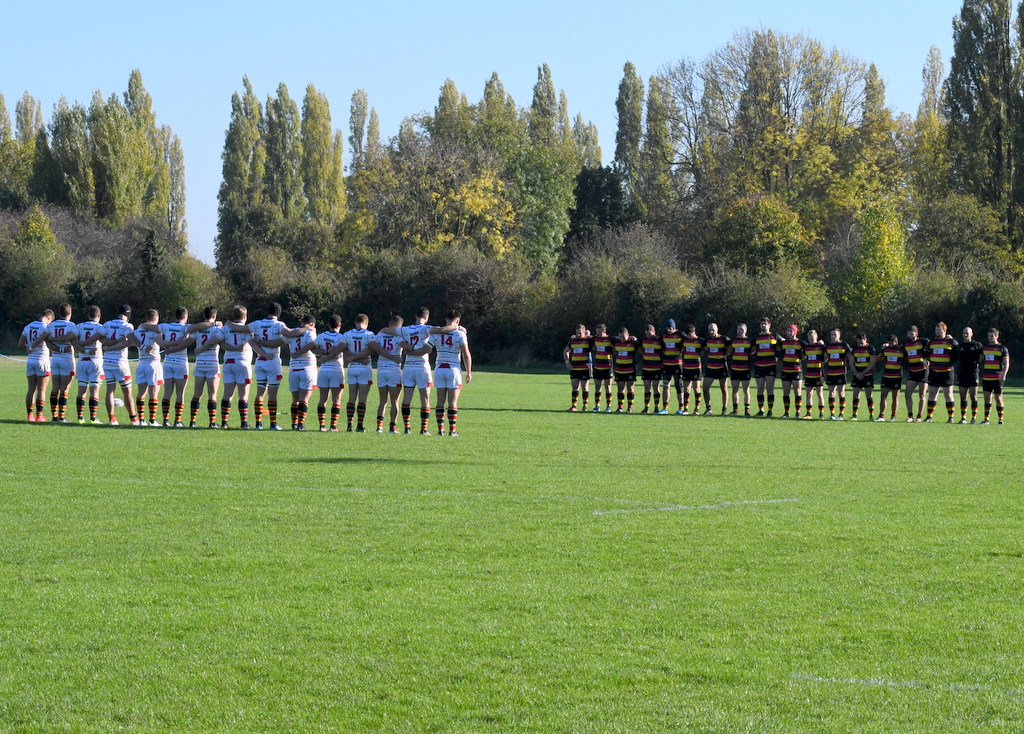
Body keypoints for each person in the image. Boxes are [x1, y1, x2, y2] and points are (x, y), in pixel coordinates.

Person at [121, 309, 164, 426]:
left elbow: (129, 343)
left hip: (141, 364)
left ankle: (141, 420)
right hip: (153, 363)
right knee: (153, 393)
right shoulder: (155, 332)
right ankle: (152, 421)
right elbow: (162, 344)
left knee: (141, 393)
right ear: (155, 318)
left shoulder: (137, 331)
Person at [432, 310, 472, 435]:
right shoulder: (460, 334)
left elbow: (427, 347)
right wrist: (468, 371)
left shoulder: (437, 333)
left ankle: (440, 430)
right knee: (452, 403)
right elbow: (466, 354)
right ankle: (452, 431)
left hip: (439, 368)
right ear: (458, 320)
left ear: (446, 319)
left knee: (440, 402)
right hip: (453, 369)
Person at [364, 316, 405, 432]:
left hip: (381, 369)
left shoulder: (380, 336)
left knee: (382, 401)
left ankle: (379, 427)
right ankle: (392, 427)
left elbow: (372, 345)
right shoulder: (399, 336)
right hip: (394, 370)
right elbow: (406, 346)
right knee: (395, 401)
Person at [39, 303, 77, 422]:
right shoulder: (71, 325)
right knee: (64, 389)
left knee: (55, 387)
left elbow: (46, 340)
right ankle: (61, 417)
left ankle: (54, 417)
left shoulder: (51, 325)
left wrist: (55, 343)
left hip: (55, 358)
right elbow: (71, 338)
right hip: (67, 358)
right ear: (69, 313)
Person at [101, 305, 138, 426]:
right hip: (120, 362)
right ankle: (133, 419)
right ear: (128, 314)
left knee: (109, 391)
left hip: (107, 361)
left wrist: (110, 346)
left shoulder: (107, 324)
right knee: (127, 392)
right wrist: (119, 341)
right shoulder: (127, 326)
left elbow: (102, 340)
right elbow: (131, 341)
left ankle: (112, 419)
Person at [219, 305, 256, 429]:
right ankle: (244, 423)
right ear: (245, 316)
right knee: (243, 396)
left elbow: (219, 342)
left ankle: (224, 423)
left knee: (227, 394)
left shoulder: (225, 328)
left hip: (228, 362)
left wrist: (230, 347)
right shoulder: (246, 329)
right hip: (242, 362)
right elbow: (252, 342)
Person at [155, 307, 193, 427]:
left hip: (168, 362)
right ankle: (177, 421)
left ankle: (165, 420)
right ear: (185, 316)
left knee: (167, 392)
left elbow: (152, 328)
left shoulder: (165, 326)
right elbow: (198, 329)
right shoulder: (185, 327)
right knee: (180, 393)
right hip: (180, 364)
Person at [340, 314, 375, 432]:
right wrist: (360, 358)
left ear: (355, 323)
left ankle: (349, 424)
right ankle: (359, 425)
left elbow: (343, 348)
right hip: (365, 367)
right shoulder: (369, 334)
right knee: (362, 398)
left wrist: (352, 358)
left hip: (352, 367)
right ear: (366, 323)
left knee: (351, 397)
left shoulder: (347, 334)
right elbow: (372, 349)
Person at [189, 307, 223, 428]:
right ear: (214, 316)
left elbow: (188, 340)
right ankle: (212, 423)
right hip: (212, 363)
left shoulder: (198, 329)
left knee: (197, 394)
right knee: (212, 395)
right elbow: (218, 342)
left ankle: (192, 422)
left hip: (199, 363)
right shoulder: (217, 329)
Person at [73, 306, 107, 424]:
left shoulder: (79, 326)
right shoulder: (101, 327)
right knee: (94, 390)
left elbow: (74, 343)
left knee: (81, 390)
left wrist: (84, 349)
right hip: (95, 361)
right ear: (99, 315)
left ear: (88, 315)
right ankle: (93, 418)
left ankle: (80, 418)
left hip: (82, 360)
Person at [312, 314, 346, 432]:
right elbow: (342, 350)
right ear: (339, 325)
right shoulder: (341, 337)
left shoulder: (321, 336)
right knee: (336, 400)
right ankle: (333, 426)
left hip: (324, 370)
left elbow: (313, 348)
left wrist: (324, 352)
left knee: (323, 399)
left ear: (328, 324)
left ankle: (322, 426)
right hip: (336, 369)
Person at [284, 315, 318, 430]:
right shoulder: (310, 333)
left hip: (293, 368)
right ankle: (301, 425)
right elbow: (311, 346)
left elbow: (280, 341)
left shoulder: (293, 332)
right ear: (312, 324)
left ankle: (294, 424)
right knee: (304, 399)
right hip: (307, 367)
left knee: (295, 399)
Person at [19, 308, 53, 422]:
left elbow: (20, 345)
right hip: (42, 359)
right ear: (49, 318)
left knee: (31, 389)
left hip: (30, 360)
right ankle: (39, 416)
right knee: (41, 390)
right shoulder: (46, 327)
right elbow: (50, 343)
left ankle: (29, 415)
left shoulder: (28, 326)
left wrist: (28, 348)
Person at [924, 322, 958, 423]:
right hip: (934, 372)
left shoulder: (951, 342)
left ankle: (951, 417)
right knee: (932, 394)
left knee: (948, 394)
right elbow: (926, 353)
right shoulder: (931, 342)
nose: (937, 331)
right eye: (936, 329)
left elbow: (957, 354)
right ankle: (929, 417)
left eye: (939, 329)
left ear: (944, 330)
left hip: (946, 372)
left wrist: (949, 364)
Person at [752, 317, 781, 417]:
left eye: (765, 324)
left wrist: (777, 356)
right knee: (760, 389)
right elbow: (751, 349)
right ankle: (761, 410)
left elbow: (785, 343)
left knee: (770, 389)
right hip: (759, 366)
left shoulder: (775, 336)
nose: (763, 325)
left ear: (769, 325)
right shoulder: (756, 338)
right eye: (762, 324)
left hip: (770, 366)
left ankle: (770, 410)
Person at [980, 328, 1009, 425]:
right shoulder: (985, 348)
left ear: (997, 336)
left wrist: (1004, 375)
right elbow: (980, 359)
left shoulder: (1002, 348)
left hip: (997, 377)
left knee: (998, 398)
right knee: (987, 398)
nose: (990, 338)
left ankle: (1000, 419)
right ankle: (986, 419)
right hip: (986, 377)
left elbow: (1006, 363)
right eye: (989, 336)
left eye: (992, 336)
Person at [954, 327, 983, 424]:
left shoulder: (977, 345)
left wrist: (977, 363)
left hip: (973, 374)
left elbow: (982, 356)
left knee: (973, 396)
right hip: (962, 374)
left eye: (967, 333)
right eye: (964, 333)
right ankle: (963, 418)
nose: (965, 335)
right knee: (963, 396)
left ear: (971, 334)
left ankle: (974, 418)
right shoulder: (959, 346)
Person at [563, 324, 593, 412]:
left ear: (584, 332)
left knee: (585, 387)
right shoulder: (572, 341)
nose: (578, 334)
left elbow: (598, 339)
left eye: (580, 333)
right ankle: (574, 406)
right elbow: (566, 351)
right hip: (574, 368)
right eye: (577, 333)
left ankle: (585, 406)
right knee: (575, 387)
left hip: (585, 368)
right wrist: (567, 363)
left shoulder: (588, 341)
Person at [902, 325, 929, 422]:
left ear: (916, 334)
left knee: (922, 395)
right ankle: (910, 416)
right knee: (907, 394)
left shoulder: (923, 341)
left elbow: (933, 344)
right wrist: (887, 345)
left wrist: (947, 338)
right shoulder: (905, 344)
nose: (910, 335)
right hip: (913, 372)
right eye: (908, 333)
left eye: (912, 333)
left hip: (923, 371)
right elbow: (898, 350)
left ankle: (919, 416)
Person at [702, 323, 730, 415]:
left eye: (712, 330)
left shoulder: (724, 339)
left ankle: (724, 410)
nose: (711, 332)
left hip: (721, 367)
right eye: (709, 330)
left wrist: (725, 354)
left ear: (717, 329)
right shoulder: (707, 340)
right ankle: (708, 409)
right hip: (710, 367)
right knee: (705, 388)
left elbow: (730, 348)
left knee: (724, 389)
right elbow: (704, 348)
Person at [824, 329, 852, 420]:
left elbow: (850, 357)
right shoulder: (828, 346)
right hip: (830, 372)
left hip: (841, 372)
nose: (833, 336)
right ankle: (832, 414)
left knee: (841, 393)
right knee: (831, 393)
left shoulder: (844, 345)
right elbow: (825, 358)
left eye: (835, 334)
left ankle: (841, 415)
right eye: (832, 334)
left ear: (839, 335)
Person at [876, 334, 905, 422]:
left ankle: (893, 417)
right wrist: (882, 349)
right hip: (886, 376)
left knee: (895, 397)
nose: (891, 345)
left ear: (896, 342)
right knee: (883, 396)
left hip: (897, 377)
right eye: (889, 343)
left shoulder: (902, 350)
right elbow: (878, 358)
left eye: (892, 343)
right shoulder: (886, 349)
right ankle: (881, 416)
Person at [778, 324, 805, 419]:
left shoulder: (801, 343)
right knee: (786, 392)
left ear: (795, 332)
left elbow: (808, 349)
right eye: (788, 331)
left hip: (796, 370)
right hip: (785, 370)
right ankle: (786, 413)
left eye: (791, 331)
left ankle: (798, 412)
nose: (789, 333)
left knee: (797, 392)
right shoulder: (783, 343)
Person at [849, 333, 878, 421]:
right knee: (855, 395)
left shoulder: (871, 348)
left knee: (868, 395)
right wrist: (856, 373)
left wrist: (863, 373)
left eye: (862, 342)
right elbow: (851, 363)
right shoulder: (854, 349)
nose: (860, 344)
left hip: (867, 375)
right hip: (856, 375)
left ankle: (871, 415)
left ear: (866, 340)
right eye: (859, 342)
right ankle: (854, 415)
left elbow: (872, 363)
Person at [659, 320, 684, 414]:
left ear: (674, 327)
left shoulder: (681, 334)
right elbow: (661, 348)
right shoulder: (663, 335)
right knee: (666, 386)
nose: (669, 330)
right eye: (667, 328)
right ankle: (665, 408)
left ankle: (681, 408)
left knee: (679, 386)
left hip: (677, 365)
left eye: (670, 328)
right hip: (666, 365)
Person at [612, 326, 639, 412]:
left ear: (628, 335)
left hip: (630, 369)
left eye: (623, 336)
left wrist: (634, 338)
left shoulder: (633, 342)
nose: (622, 338)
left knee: (630, 388)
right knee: (620, 388)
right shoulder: (616, 342)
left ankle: (629, 408)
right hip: (619, 369)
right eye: (620, 336)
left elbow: (641, 345)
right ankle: (620, 407)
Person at [728, 323, 753, 416]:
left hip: (745, 368)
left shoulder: (749, 341)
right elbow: (729, 351)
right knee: (735, 389)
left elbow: (753, 350)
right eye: (738, 329)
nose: (739, 331)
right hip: (735, 368)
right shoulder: (733, 341)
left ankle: (747, 411)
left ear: (746, 330)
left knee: (746, 390)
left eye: (742, 329)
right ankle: (735, 411)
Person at [680, 324, 704, 415]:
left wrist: (702, 352)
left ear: (694, 332)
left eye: (689, 334)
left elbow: (706, 347)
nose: (688, 336)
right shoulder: (684, 340)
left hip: (696, 368)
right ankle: (686, 409)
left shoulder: (700, 341)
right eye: (687, 335)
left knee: (696, 388)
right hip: (686, 367)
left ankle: (696, 409)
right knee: (686, 389)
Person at [590, 324, 615, 413]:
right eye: (597, 332)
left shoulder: (611, 339)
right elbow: (585, 338)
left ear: (604, 331)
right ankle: (597, 406)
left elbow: (621, 339)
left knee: (608, 387)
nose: (597, 333)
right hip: (597, 367)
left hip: (608, 367)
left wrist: (632, 337)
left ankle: (608, 407)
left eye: (599, 332)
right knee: (597, 387)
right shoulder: (594, 339)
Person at [802, 330, 826, 419]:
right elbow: (802, 356)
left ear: (816, 337)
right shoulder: (806, 348)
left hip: (818, 373)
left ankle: (821, 414)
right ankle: (808, 414)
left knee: (820, 394)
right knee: (808, 394)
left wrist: (823, 344)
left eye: (812, 337)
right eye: (809, 337)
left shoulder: (821, 347)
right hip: (809, 373)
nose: (811, 339)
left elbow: (826, 354)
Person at [639, 324, 662, 414]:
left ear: (654, 332)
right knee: (647, 388)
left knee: (656, 388)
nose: (648, 336)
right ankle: (646, 408)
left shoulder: (659, 340)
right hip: (646, 367)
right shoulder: (643, 339)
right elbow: (638, 347)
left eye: (650, 334)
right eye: (647, 334)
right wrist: (644, 354)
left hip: (656, 368)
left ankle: (656, 408)